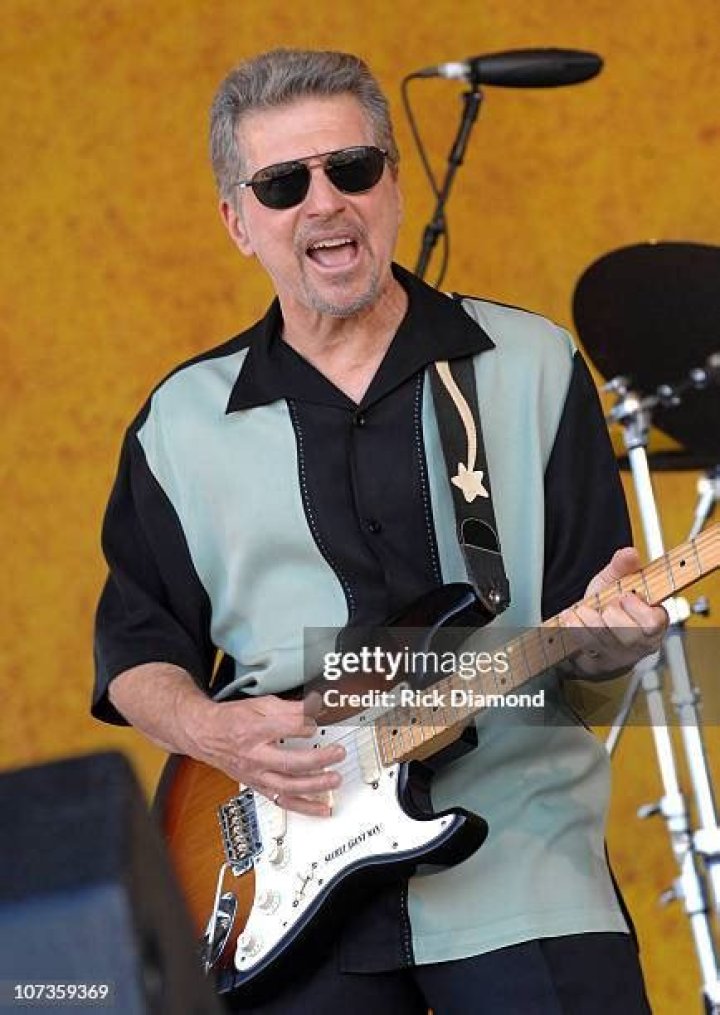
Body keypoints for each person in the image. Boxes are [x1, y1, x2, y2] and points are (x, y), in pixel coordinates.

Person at [93, 48, 667, 1014]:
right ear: (238, 222)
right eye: (283, 184)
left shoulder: (533, 364)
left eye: (351, 169)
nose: (325, 202)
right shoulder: (178, 424)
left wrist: (615, 643)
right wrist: (215, 732)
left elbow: (589, 652)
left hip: (522, 862)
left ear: (393, 187)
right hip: (277, 884)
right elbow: (137, 651)